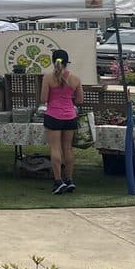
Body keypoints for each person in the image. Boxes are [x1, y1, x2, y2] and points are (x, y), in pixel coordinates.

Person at [40, 49, 84, 195]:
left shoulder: (48, 78)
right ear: (67, 62)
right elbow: (79, 100)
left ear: (54, 61)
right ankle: (69, 179)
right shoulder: (75, 79)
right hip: (70, 116)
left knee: (55, 149)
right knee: (68, 149)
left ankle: (58, 181)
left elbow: (43, 99)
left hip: (53, 115)